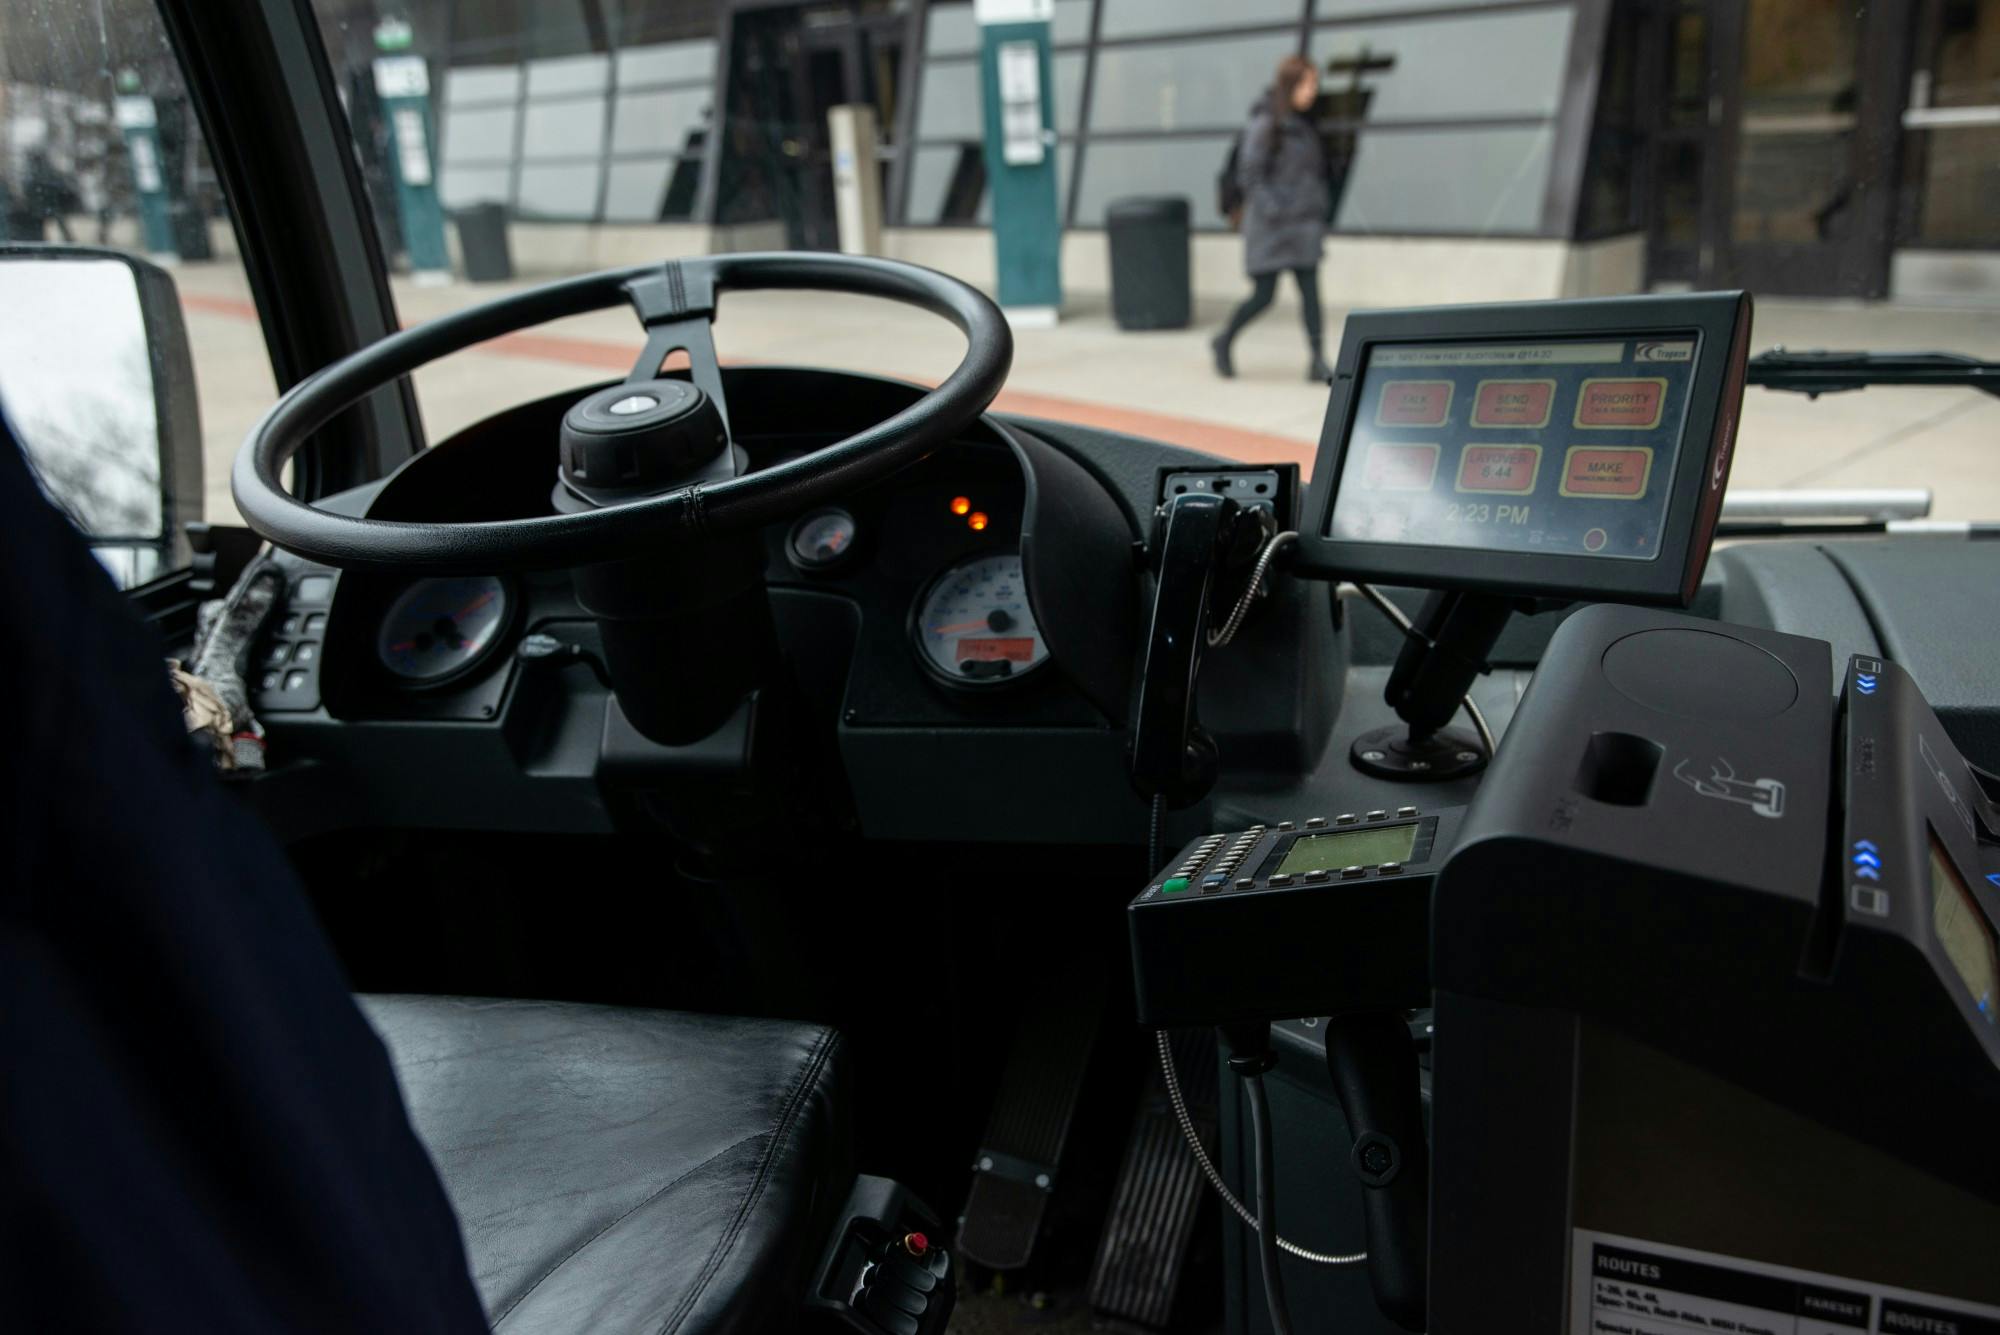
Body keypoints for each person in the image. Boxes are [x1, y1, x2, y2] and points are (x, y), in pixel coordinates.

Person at [1212, 54, 1332, 384]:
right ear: (1291, 84)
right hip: (1273, 228)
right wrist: (1276, 209)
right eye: (1309, 83)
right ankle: (1224, 340)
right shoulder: (1266, 123)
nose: (1313, 91)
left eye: (1315, 84)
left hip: (1303, 225)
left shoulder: (1305, 125)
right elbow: (1249, 176)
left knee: (1311, 294)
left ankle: (1318, 360)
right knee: (1264, 296)